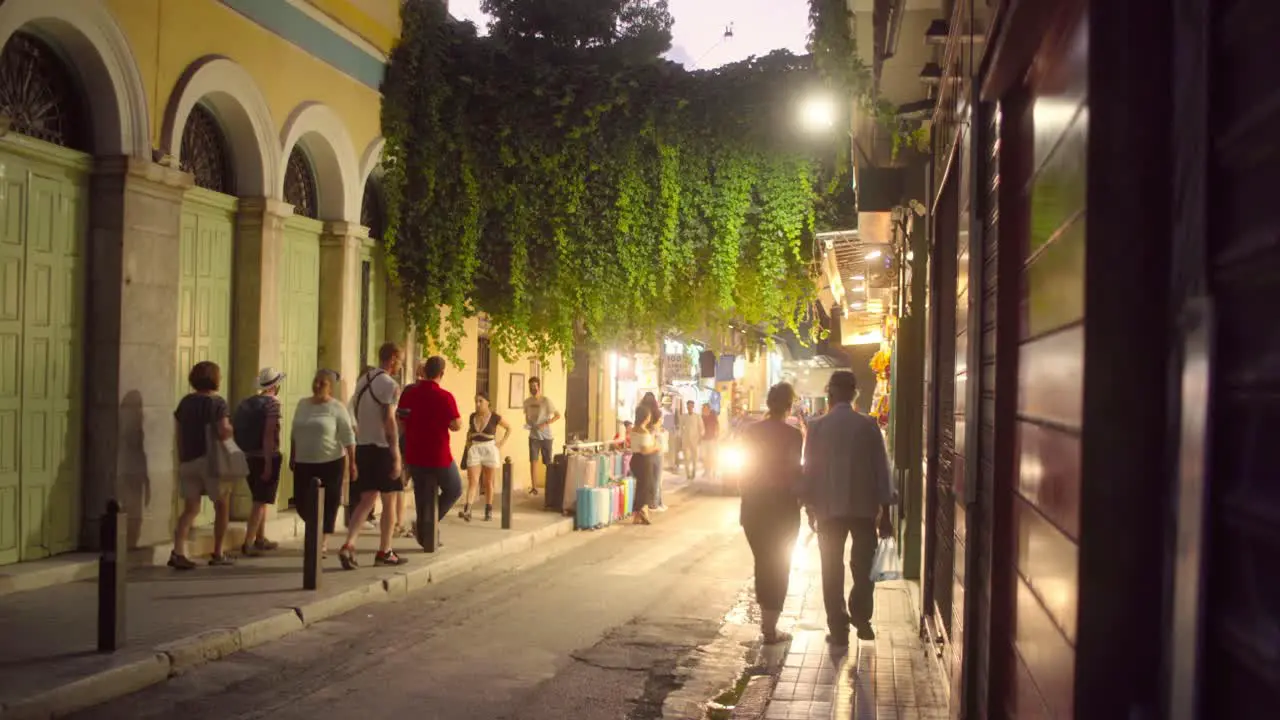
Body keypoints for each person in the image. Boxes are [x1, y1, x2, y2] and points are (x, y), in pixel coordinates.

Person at [802, 370, 895, 645]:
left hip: (828, 510)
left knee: (831, 567)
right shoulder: (868, 426)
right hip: (864, 509)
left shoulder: (816, 426)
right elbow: (882, 469)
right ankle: (862, 617)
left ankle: (838, 626)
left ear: (830, 394)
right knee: (865, 566)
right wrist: (886, 513)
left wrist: (809, 507)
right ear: (854, 394)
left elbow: (810, 470)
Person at [739, 383, 805, 644]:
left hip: (754, 506)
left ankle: (768, 625)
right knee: (779, 564)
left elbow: (744, 470)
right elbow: (794, 471)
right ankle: (769, 626)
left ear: (768, 403)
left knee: (763, 562)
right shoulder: (793, 435)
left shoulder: (751, 432)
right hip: (783, 507)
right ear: (789, 406)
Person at [339, 342, 406, 569]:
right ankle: (385, 551)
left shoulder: (363, 380)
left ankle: (349, 544)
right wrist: (396, 453)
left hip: (364, 446)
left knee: (366, 499)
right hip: (382, 448)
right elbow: (389, 420)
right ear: (393, 358)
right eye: (401, 360)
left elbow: (357, 412)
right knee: (390, 501)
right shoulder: (389, 385)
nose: (401, 365)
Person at [170, 361, 235, 569]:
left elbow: (178, 433)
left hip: (188, 460)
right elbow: (224, 431)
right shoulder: (217, 403)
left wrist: (181, 458)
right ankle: (218, 552)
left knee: (190, 509)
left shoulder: (185, 402)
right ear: (215, 379)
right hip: (211, 461)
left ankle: (178, 550)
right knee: (222, 505)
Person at [290, 369, 357, 558]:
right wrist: (292, 455)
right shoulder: (303, 404)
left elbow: (348, 437)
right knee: (302, 503)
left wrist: (353, 463)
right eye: (316, 381)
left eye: (322, 383)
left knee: (330, 502)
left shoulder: (337, 408)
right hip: (304, 462)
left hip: (331, 462)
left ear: (330, 387)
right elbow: (294, 431)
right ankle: (314, 530)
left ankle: (322, 540)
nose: (317, 385)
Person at [400, 356, 465, 548]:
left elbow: (401, 420)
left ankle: (425, 527)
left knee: (422, 495)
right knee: (454, 488)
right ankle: (428, 525)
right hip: (438, 455)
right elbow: (457, 424)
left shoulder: (410, 394)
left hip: (414, 454)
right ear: (441, 373)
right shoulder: (445, 396)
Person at [232, 367, 285, 557]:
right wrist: (269, 462)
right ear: (275, 385)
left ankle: (260, 538)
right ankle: (249, 542)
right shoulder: (272, 405)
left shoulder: (246, 403)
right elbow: (269, 435)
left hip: (248, 455)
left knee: (259, 497)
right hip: (265, 456)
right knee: (260, 501)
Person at [459, 391, 511, 522]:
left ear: (487, 402)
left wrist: (501, 443)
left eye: (480, 401)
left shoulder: (495, 417)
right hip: (475, 448)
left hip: (489, 448)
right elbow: (469, 433)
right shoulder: (472, 417)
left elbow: (509, 428)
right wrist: (467, 447)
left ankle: (488, 510)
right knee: (473, 481)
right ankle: (468, 510)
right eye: (476, 401)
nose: (477, 404)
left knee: (488, 482)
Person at [522, 376, 561, 496]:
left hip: (546, 436)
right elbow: (526, 415)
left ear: (539, 386)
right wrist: (528, 423)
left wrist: (545, 424)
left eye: (535, 386)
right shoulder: (527, 402)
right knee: (533, 461)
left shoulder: (546, 401)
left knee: (547, 462)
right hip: (533, 435)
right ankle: (534, 487)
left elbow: (557, 415)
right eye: (531, 387)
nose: (533, 389)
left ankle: (550, 486)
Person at [628, 406, 661, 524]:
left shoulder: (633, 429)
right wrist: (656, 447)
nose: (650, 417)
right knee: (646, 486)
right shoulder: (643, 431)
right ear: (645, 417)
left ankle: (636, 516)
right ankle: (643, 509)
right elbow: (645, 450)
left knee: (640, 487)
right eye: (648, 415)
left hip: (634, 460)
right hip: (644, 461)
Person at [678, 399, 704, 481]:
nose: (689, 407)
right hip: (686, 440)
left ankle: (693, 471)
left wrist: (700, 437)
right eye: (688, 406)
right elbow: (680, 428)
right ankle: (688, 474)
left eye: (691, 406)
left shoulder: (697, 416)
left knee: (694, 458)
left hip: (695, 440)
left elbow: (701, 427)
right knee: (686, 458)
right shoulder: (683, 417)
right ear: (687, 407)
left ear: (693, 406)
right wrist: (681, 437)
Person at [701, 404, 720, 482]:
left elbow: (717, 425)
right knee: (705, 457)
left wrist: (717, 434)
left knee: (712, 456)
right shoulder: (701, 417)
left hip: (712, 439)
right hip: (704, 439)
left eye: (706, 408)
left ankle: (714, 471)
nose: (704, 410)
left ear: (709, 409)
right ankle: (706, 471)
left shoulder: (713, 415)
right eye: (703, 408)